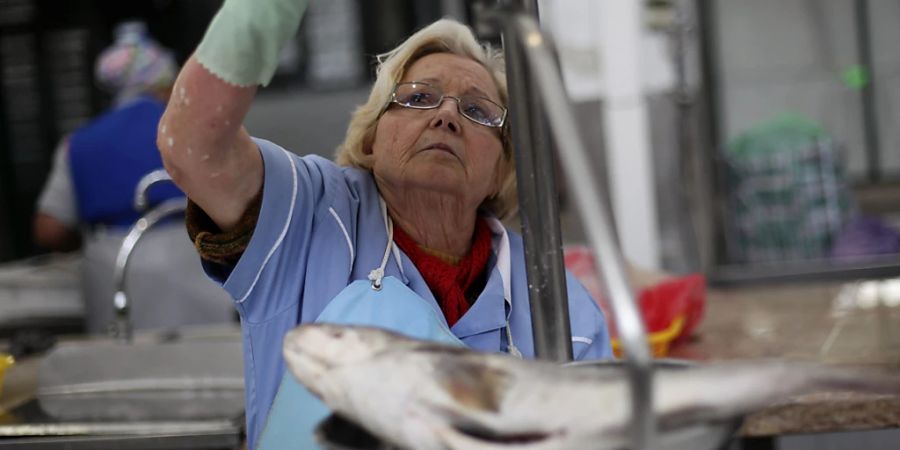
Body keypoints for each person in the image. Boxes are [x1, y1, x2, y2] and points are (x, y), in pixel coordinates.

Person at [160, 1, 613, 447]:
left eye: (477, 111)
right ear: (372, 137)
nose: (447, 115)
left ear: (500, 170)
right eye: (419, 97)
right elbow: (195, 145)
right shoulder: (307, 213)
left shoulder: (561, 305)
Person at [34, 21, 234, 335]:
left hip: (115, 273)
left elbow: (49, 229)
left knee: (126, 371)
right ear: (169, 84)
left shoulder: (78, 143)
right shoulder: (201, 132)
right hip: (197, 270)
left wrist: (86, 240)